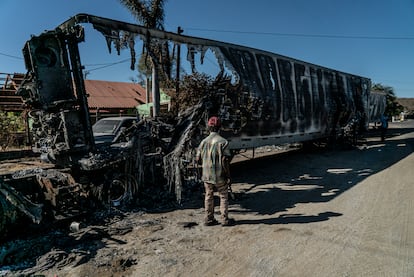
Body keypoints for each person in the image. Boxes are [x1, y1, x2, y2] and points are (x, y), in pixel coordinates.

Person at [196, 116, 234, 226]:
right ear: (219, 127)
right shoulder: (223, 142)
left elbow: (197, 159)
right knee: (223, 195)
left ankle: (209, 219)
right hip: (220, 175)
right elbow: (225, 160)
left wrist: (205, 164)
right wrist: (228, 175)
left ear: (208, 127)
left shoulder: (203, 142)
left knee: (208, 195)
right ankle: (224, 219)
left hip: (207, 176)